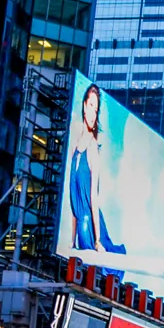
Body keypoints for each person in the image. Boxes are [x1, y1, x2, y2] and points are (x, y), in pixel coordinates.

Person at [66, 80, 123, 254]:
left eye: (96, 109)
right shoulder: (75, 145)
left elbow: (93, 197)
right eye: (91, 106)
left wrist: (98, 241)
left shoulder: (92, 147)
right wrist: (71, 240)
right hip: (81, 224)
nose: (92, 113)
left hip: (90, 225)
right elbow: (73, 198)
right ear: (84, 105)